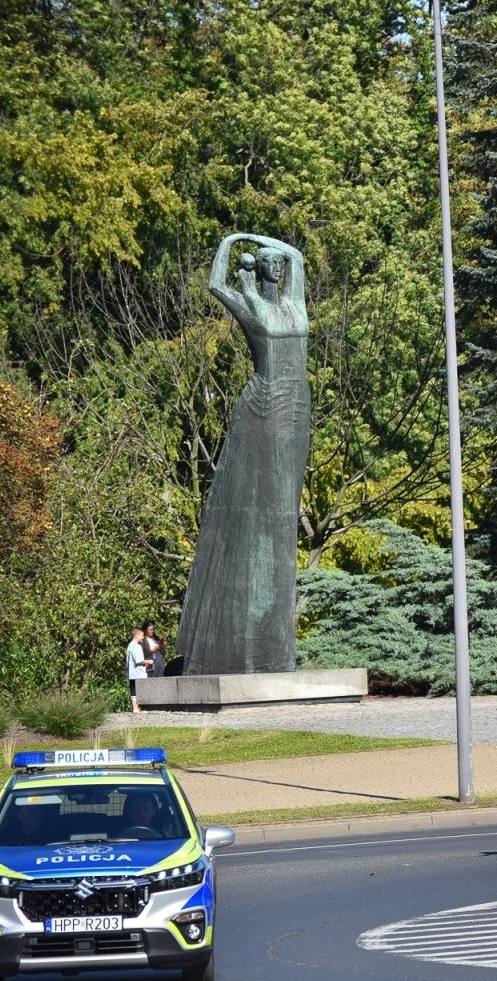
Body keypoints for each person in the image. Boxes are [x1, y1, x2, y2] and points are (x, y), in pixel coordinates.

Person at [181, 234, 312, 675]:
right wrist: (230, 242)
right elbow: (216, 283)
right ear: (259, 270)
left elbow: (297, 256)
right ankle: (256, 646)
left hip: (298, 405)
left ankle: (273, 645)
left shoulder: (295, 303)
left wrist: (255, 238)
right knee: (267, 515)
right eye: (269, 262)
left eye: (279, 263)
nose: (278, 266)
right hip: (267, 404)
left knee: (284, 514)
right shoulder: (251, 304)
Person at [125, 624, 151, 713]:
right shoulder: (137, 646)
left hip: (131, 673)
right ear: (136, 636)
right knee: (140, 691)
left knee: (133, 691)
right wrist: (149, 662)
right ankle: (139, 707)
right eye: (142, 636)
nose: (143, 638)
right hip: (138, 674)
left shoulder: (129, 646)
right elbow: (139, 660)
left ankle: (135, 708)